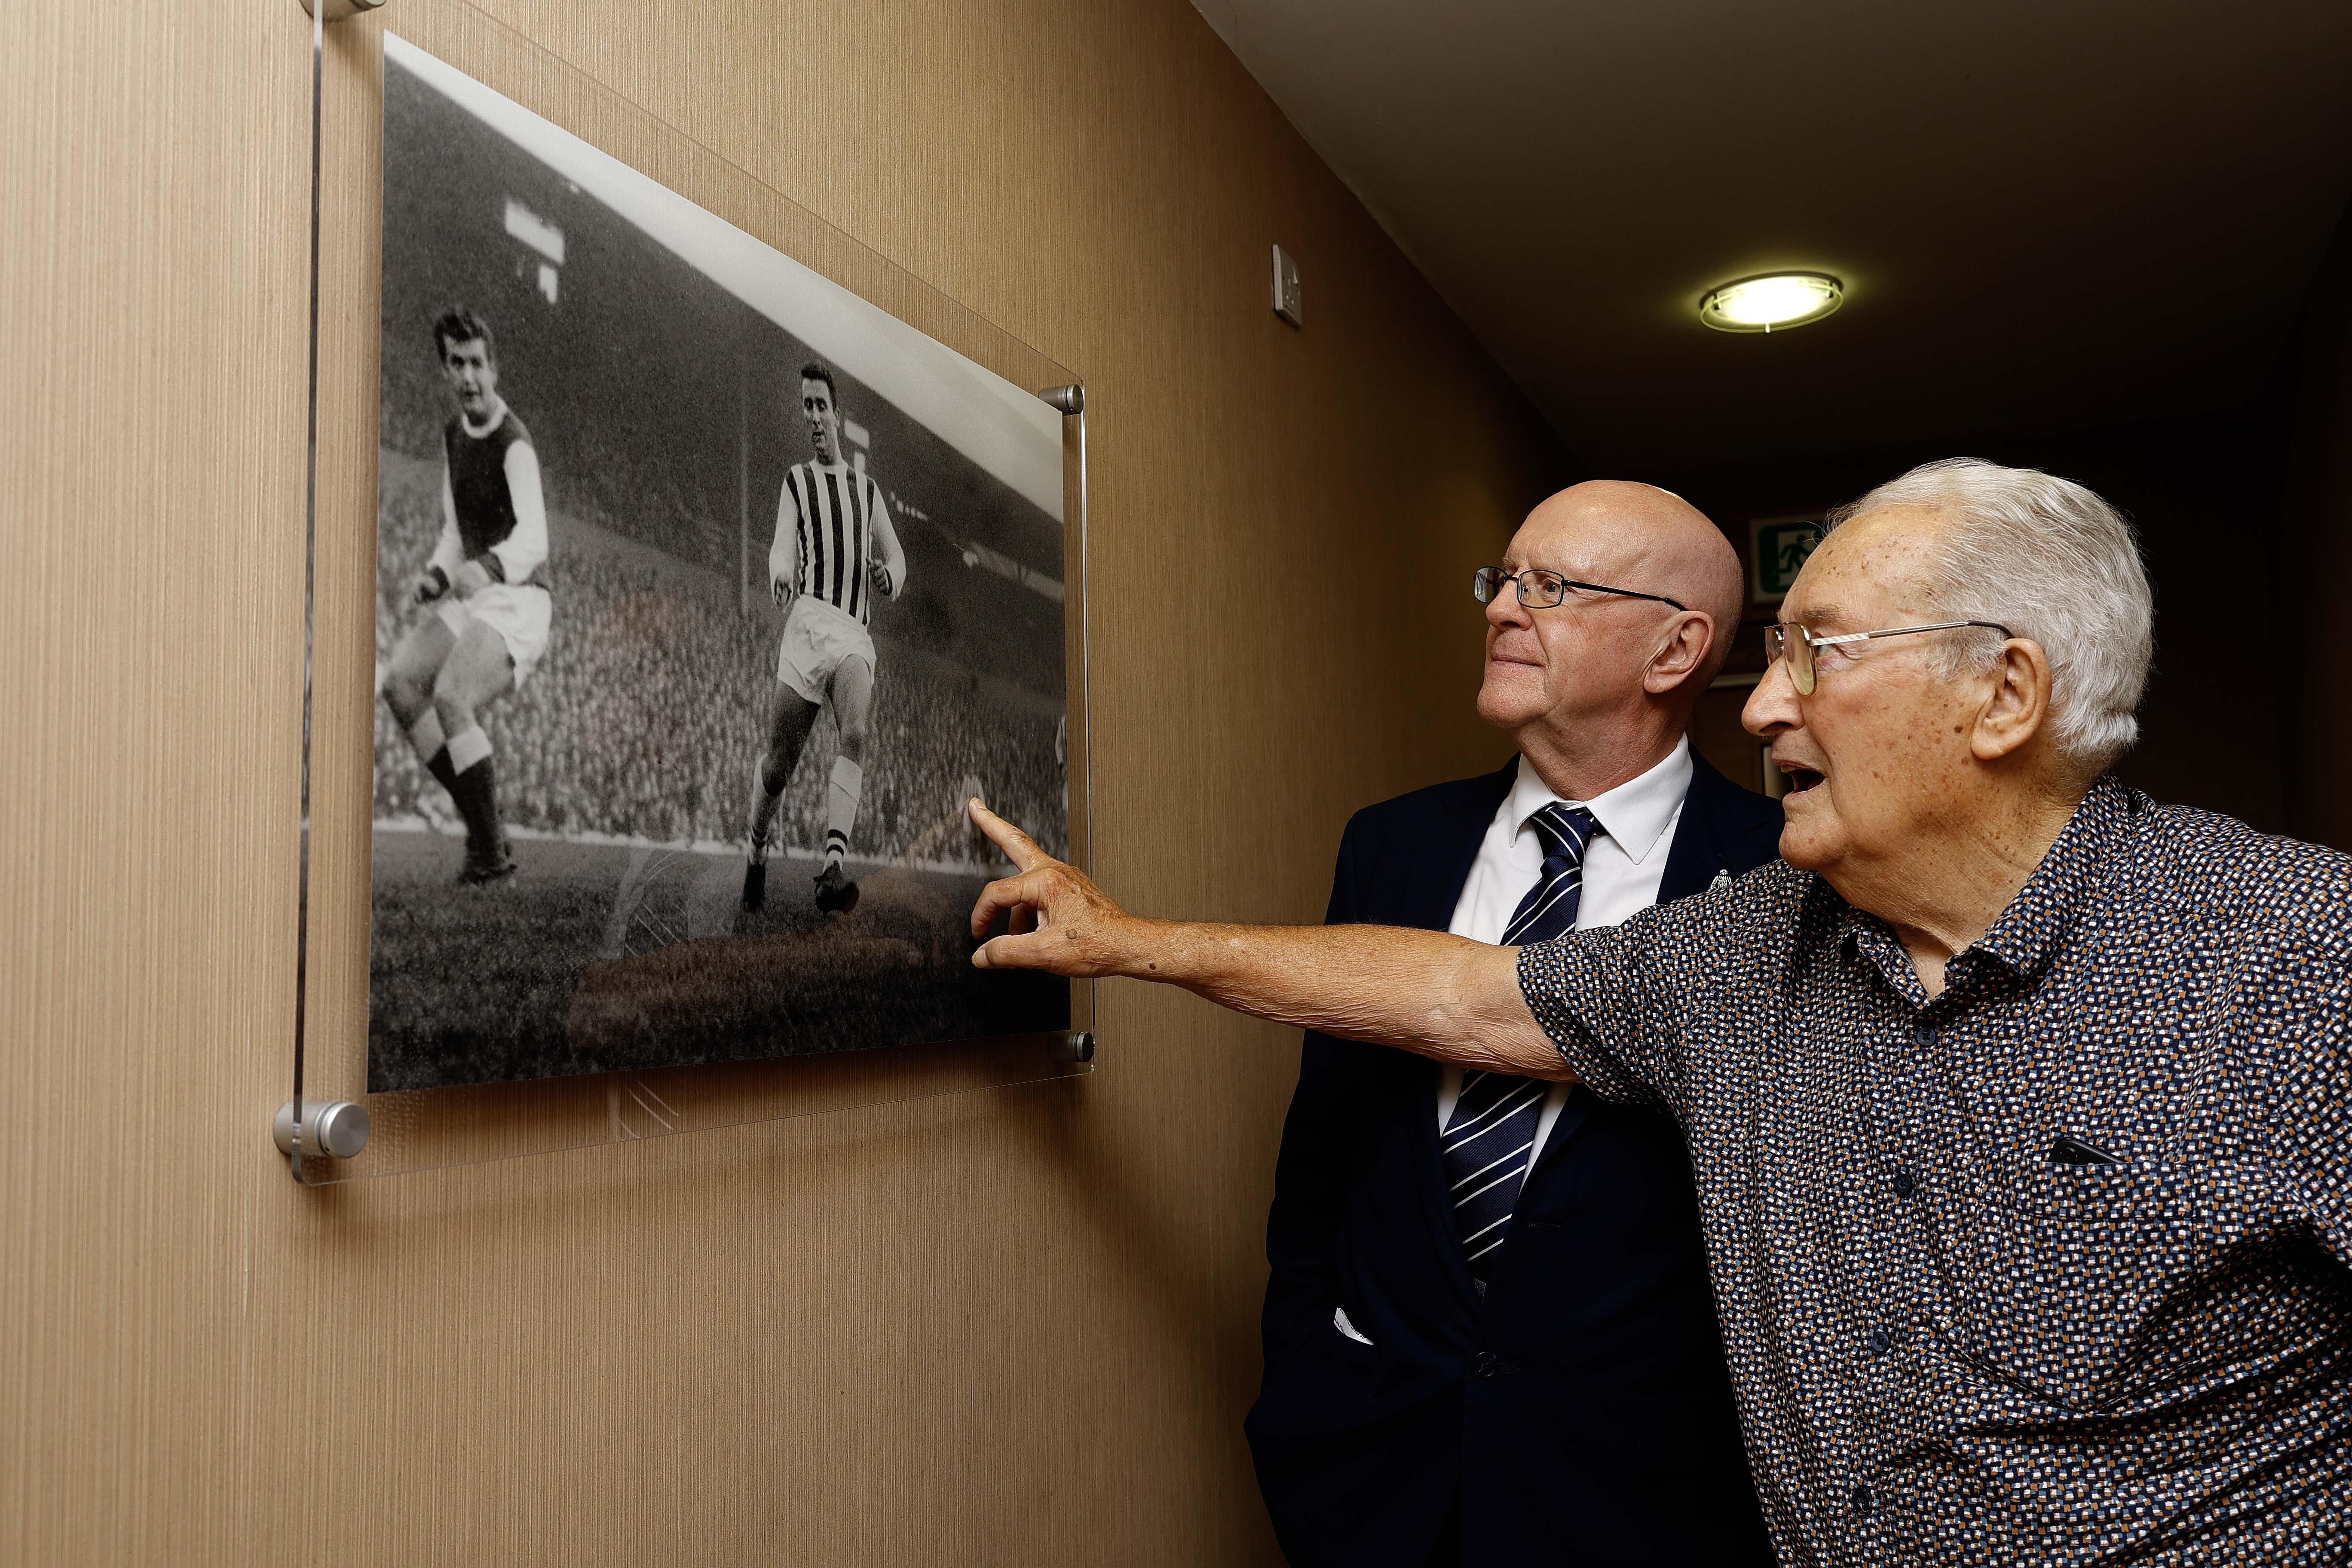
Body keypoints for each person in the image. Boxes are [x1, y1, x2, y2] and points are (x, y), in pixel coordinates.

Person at [960, 458, 2352, 1565]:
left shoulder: (2302, 955)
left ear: (2002, 693)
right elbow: (1456, 990)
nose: (1762, 706)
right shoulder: (1745, 948)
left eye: (1821, 652)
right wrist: (1129, 940)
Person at [1249, 483, 1777, 1568]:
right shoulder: (1390, 845)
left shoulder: (1784, 876)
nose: (1500, 609)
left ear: (1676, 650)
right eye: (1504, 580)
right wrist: (1303, 1368)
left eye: (1554, 588)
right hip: (1373, 1470)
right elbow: (1327, 1148)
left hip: (1643, 1496)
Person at [380, 307, 551, 885]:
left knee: (452, 696)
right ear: (445, 371)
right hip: (475, 590)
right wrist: (435, 574)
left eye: (478, 363)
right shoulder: (454, 437)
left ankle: (490, 856)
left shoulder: (514, 443)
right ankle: (487, 829)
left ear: (494, 368)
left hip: (520, 597)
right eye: (458, 364)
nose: (470, 377)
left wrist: (492, 565)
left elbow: (536, 538)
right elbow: (455, 534)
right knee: (401, 683)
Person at [743, 361, 907, 916]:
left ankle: (833, 867)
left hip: (853, 634)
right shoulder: (797, 480)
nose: (814, 416)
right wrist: (781, 574)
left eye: (821, 405)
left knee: (855, 731)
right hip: (809, 624)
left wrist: (891, 577)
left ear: (839, 414)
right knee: (778, 766)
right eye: (806, 406)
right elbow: (780, 545)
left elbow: (897, 554)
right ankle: (757, 849)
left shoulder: (867, 490)